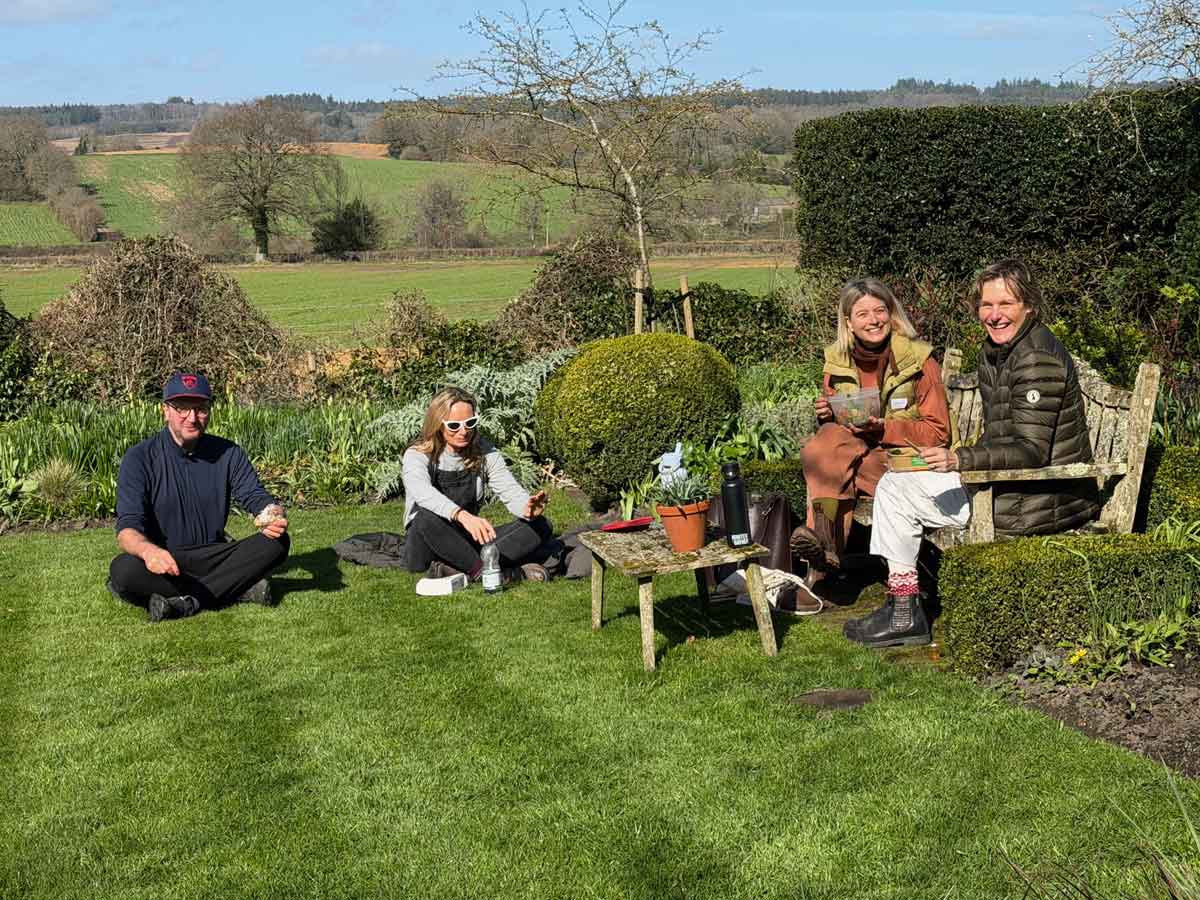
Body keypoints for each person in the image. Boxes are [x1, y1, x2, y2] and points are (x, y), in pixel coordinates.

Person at [847, 259, 1098, 648]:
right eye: (986, 305)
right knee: (895, 482)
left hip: (1037, 497)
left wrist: (958, 460)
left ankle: (904, 612)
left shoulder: (1035, 358)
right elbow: (1003, 437)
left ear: (1028, 306)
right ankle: (903, 605)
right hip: (1007, 486)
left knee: (896, 494)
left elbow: (1031, 452)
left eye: (1005, 305)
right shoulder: (998, 351)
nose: (994, 316)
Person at [791, 278, 952, 587]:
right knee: (827, 444)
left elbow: (939, 432)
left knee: (830, 459)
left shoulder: (919, 360)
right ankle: (824, 550)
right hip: (855, 460)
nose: (874, 320)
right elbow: (836, 427)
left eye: (880, 310)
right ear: (848, 323)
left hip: (904, 465)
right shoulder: (836, 362)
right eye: (862, 314)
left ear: (892, 315)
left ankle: (824, 556)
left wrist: (886, 427)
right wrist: (827, 414)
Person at [107, 372, 290, 622]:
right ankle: (237, 589)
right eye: (182, 408)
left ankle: (188, 602)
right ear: (166, 410)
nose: (192, 418)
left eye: (201, 409)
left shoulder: (228, 453)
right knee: (124, 570)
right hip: (167, 560)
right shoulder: (139, 458)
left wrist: (272, 513)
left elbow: (255, 496)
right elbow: (127, 528)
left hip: (216, 555)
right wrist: (149, 552)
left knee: (277, 543)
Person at [402, 386, 553, 587]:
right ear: (438, 423)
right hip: (427, 544)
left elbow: (508, 488)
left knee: (541, 525)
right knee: (424, 517)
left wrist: (527, 508)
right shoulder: (417, 454)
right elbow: (423, 493)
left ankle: (465, 568)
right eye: (454, 425)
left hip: (467, 542)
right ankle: (488, 574)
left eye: (470, 423)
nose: (464, 432)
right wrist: (462, 516)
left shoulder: (484, 451)